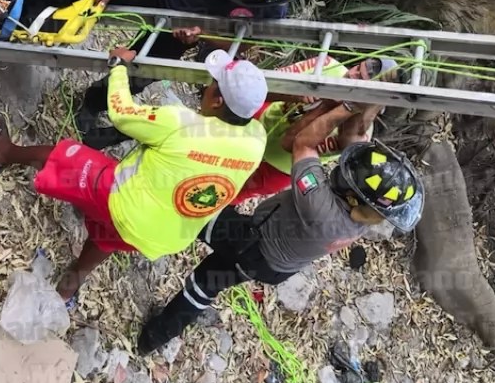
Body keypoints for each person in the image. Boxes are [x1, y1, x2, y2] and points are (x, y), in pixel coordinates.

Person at [0, 48, 269, 307]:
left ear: (218, 100)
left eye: (211, 86)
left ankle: (4, 153)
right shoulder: (257, 142)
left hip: (125, 204)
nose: (204, 89)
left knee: (68, 156)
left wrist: (118, 66)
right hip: (163, 236)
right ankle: (66, 291)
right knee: (108, 239)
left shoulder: (183, 124)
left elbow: (122, 114)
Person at [136, 101, 424, 355]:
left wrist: (346, 106)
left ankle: (130, 206)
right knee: (204, 283)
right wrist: (370, 103)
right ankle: (152, 339)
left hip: (253, 246)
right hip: (273, 263)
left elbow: (303, 145)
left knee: (195, 205)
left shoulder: (322, 209)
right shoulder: (367, 210)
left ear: (353, 193)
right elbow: (353, 137)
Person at [75, 0, 321, 149]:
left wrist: (204, 35)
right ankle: (54, 9)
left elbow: (243, 42)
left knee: (140, 73)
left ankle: (92, 103)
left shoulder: (272, 9)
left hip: (181, 30)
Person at [237, 55, 401, 204]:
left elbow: (288, 143)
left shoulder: (357, 133)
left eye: (360, 81)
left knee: (231, 190)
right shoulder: (326, 65)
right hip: (259, 119)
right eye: (357, 69)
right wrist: (293, 94)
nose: (351, 75)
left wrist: (328, 106)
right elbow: (258, 88)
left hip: (276, 167)